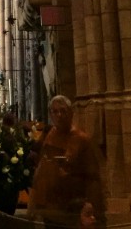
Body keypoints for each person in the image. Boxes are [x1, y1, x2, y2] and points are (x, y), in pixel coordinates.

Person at [28, 95, 104, 227]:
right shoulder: (49, 135)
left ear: (71, 112)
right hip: (51, 206)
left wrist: (91, 205)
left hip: (73, 206)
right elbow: (42, 167)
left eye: (63, 111)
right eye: (55, 111)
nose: (59, 115)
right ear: (50, 114)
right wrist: (33, 201)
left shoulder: (81, 139)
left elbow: (93, 176)